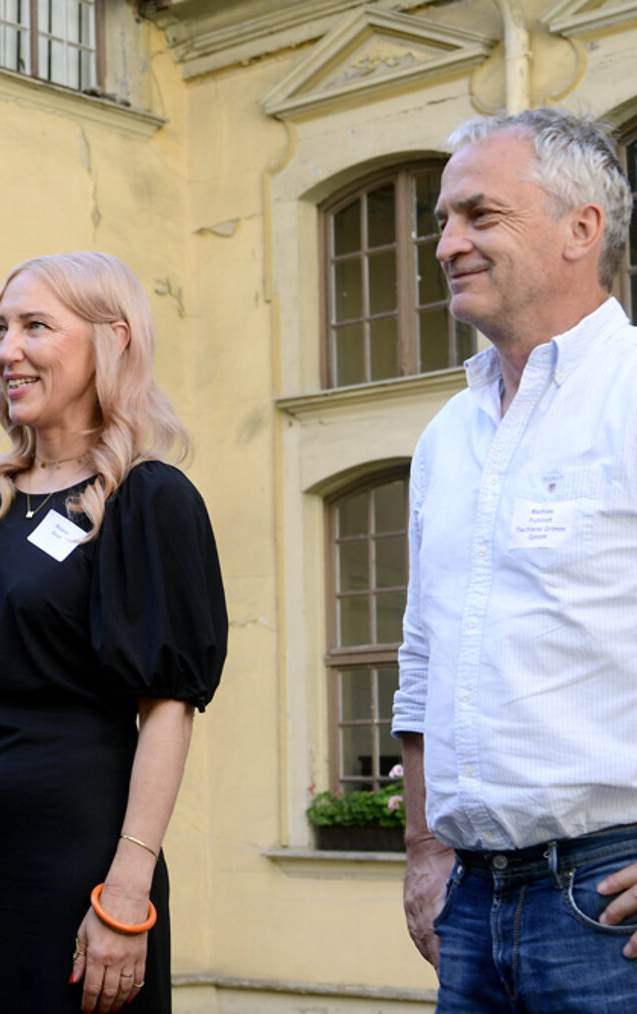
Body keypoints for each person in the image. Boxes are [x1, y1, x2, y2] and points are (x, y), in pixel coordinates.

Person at [0, 252, 227, 1014]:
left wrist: (126, 890)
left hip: (82, 863)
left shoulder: (149, 500)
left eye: (36, 326)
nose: (8, 350)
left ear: (114, 339)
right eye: (0, 330)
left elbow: (168, 705)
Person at [393, 108, 637, 1013]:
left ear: (583, 229)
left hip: (609, 904)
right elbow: (420, 662)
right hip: (471, 909)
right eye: (443, 221)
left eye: (480, 216)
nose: (448, 243)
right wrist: (424, 852)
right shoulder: (446, 436)